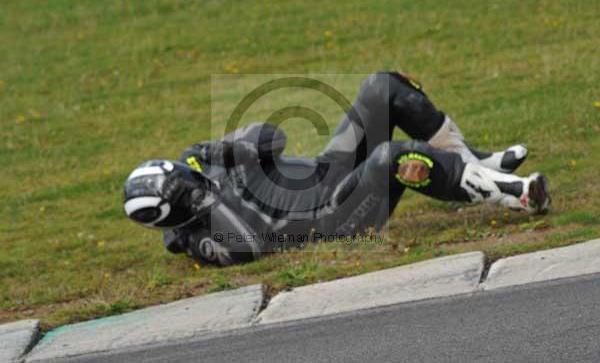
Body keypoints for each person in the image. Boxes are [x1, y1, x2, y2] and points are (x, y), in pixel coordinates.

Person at [123, 72, 550, 266]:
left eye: (189, 176)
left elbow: (273, 137)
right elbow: (247, 246)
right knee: (391, 158)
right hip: (334, 215)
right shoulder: (197, 239)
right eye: (190, 192)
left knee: (383, 86)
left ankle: (474, 162)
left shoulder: (204, 163)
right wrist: (215, 197)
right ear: (174, 213)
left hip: (329, 168)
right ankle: (516, 194)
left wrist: (230, 148)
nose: (197, 184)